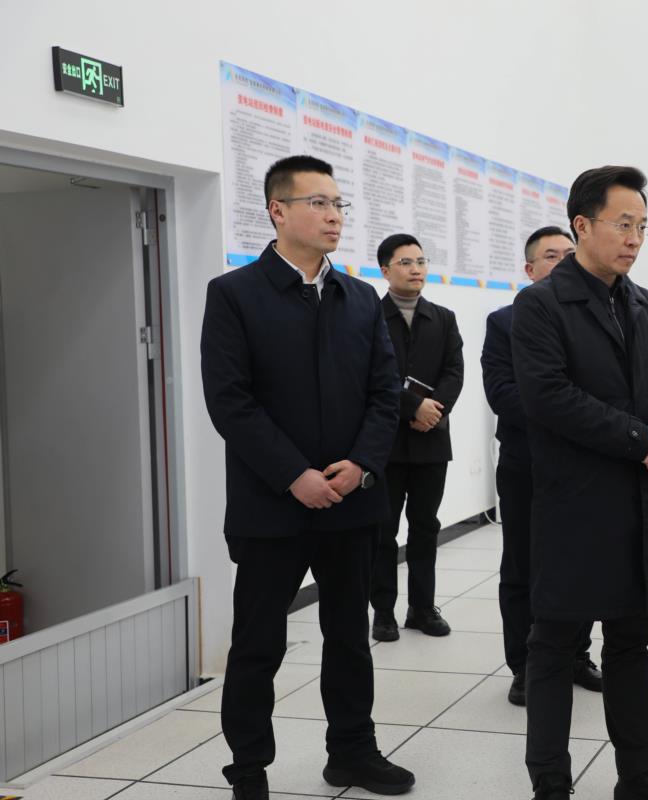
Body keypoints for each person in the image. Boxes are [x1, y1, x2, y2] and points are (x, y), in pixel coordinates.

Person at [201, 155, 412, 799]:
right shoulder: (235, 294)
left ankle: (352, 751)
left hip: (350, 503)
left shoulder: (360, 298)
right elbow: (230, 401)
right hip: (271, 507)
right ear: (278, 210)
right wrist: (294, 474)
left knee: (348, 637)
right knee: (258, 643)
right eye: (318, 203)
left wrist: (363, 463)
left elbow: (385, 393)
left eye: (338, 204)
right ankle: (248, 768)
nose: (333, 216)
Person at [511, 166, 648, 800]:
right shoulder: (541, 305)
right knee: (554, 642)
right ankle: (550, 782)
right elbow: (549, 397)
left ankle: (639, 776)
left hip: (640, 503)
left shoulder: (645, 304)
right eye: (624, 224)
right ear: (582, 225)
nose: (634, 238)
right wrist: (641, 439)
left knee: (631, 642)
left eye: (643, 226)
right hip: (576, 503)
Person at [481, 225, 603, 706]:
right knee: (523, 566)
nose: (563, 261)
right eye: (552, 255)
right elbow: (504, 394)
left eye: (570, 253)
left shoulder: (592, 317)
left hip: (585, 466)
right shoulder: (504, 322)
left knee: (583, 563)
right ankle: (524, 665)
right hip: (527, 464)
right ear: (530, 269)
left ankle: (576, 654)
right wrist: (569, 420)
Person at [370, 233, 464, 640]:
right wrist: (413, 408)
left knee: (425, 527)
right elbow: (368, 375)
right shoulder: (369, 316)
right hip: (385, 443)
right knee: (383, 530)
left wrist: (433, 411)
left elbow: (455, 372)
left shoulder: (442, 318)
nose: (416, 269)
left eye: (421, 261)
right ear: (385, 270)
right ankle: (383, 611)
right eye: (406, 262)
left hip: (431, 442)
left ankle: (422, 609)